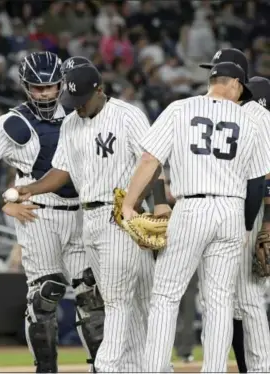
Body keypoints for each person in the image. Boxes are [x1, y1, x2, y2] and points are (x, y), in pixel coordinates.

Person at [16, 62, 167, 372]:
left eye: (84, 99)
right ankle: (147, 368)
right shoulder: (72, 123)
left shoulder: (127, 115)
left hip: (121, 215)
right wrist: (30, 189)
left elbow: (152, 162)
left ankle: (109, 367)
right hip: (90, 220)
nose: (79, 105)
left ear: (100, 90)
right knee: (132, 303)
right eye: (74, 100)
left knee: (118, 302)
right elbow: (61, 171)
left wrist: (155, 203)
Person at [121, 62, 270, 372]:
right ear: (235, 84)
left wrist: (129, 204)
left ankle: (155, 369)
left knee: (165, 295)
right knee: (219, 302)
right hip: (231, 209)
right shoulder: (249, 121)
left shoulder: (180, 108)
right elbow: (258, 182)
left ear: (213, 80)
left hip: (191, 207)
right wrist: (245, 226)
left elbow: (150, 159)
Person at [0, 52, 104, 372]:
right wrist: (3, 202)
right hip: (38, 213)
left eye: (51, 86)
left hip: (81, 212)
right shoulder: (13, 121)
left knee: (91, 296)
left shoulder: (79, 108)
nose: (44, 93)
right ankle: (46, 368)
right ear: (25, 87)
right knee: (45, 294)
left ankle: (102, 366)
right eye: (36, 88)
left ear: (61, 84)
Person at [199, 48, 270, 373]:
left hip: (250, 212)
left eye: (221, 75)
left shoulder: (257, 116)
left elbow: (266, 176)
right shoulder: (223, 112)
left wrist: (265, 224)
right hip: (226, 211)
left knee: (249, 298)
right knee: (223, 302)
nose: (215, 80)